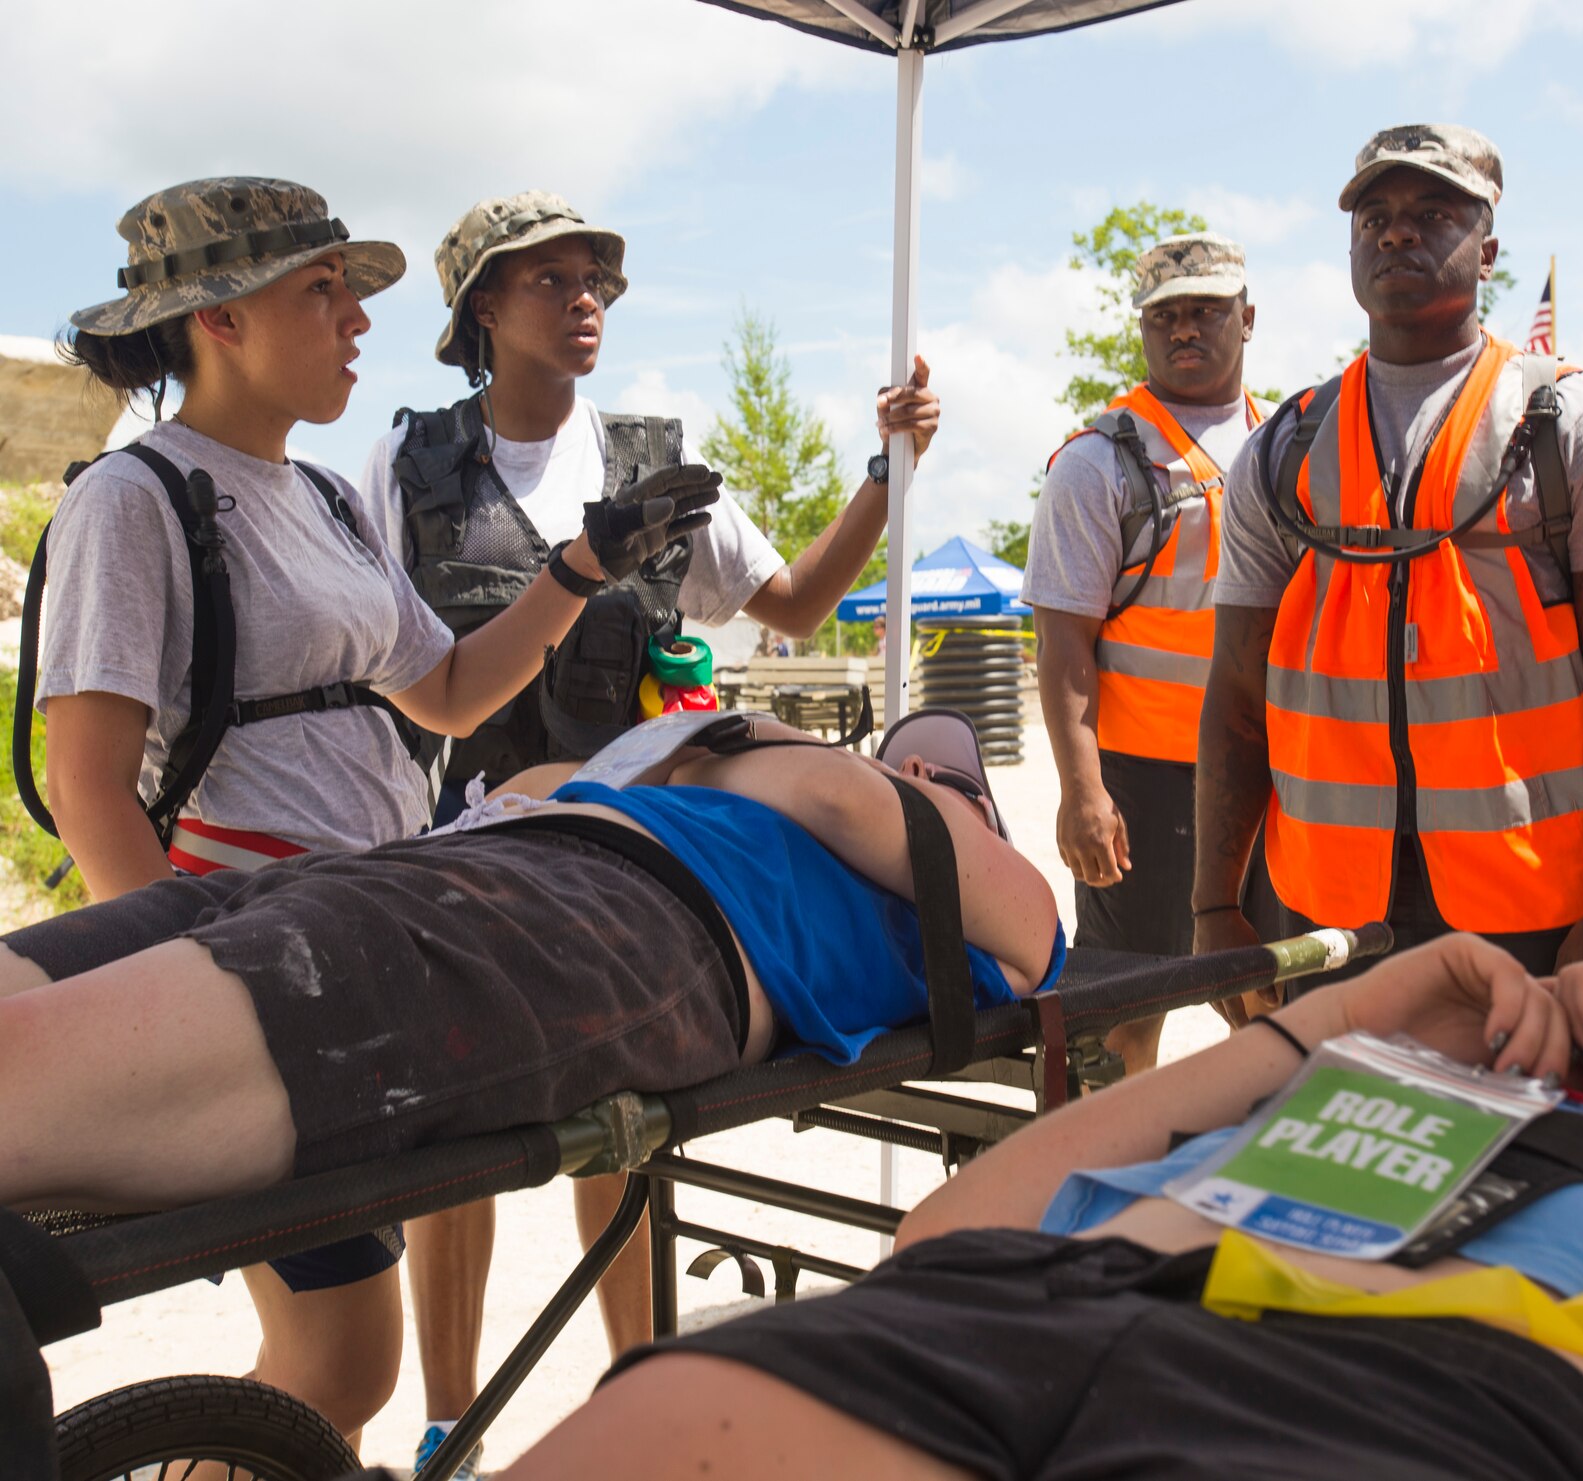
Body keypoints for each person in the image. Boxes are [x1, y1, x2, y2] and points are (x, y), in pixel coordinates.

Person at [39, 177, 692, 1451]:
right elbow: (86, 785)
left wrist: (580, 567)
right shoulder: (139, 497)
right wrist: (176, 985)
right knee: (342, 1359)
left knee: (339, 1360)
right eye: (322, 291)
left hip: (361, 958)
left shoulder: (329, 500)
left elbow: (445, 695)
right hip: (254, 967)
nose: (358, 321)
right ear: (217, 320)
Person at [494, 935, 1583, 1481]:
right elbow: (949, 1242)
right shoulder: (1422, 1088)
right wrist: (1332, 1025)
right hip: (1011, 1317)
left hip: (1420, 1405)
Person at [352, 190, 943, 1473]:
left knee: (621, 1117)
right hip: (453, 848)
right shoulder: (400, 470)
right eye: (550, 278)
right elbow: (381, 663)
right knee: (456, 1139)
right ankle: (452, 1429)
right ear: (480, 310)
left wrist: (881, 477)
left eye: (596, 282)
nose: (583, 300)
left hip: (625, 860)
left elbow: (792, 606)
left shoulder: (652, 467)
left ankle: (633, 1396)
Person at [0, 711, 1061, 1212]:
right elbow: (547, 778)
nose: (918, 764)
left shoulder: (934, 860)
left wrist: (758, 748)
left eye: (948, 774)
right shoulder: (770, 784)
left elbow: (1021, 918)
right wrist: (727, 754)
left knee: (26, 1068)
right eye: (913, 759)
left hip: (603, 913)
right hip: (490, 876)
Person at [1196, 126, 1583, 1017]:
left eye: (1432, 212)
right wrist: (1214, 904)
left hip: (1534, 915)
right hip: (1323, 916)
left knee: (1523, 1152)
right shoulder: (1281, 451)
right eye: (1374, 216)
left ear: (1488, 248)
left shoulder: (1580, 429)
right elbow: (1236, 690)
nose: (1396, 232)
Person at [1023, 232, 1269, 1075]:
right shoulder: (1100, 464)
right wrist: (1081, 790)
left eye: (1205, 310)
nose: (1185, 329)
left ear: (1248, 316)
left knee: (1268, 1002)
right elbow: (1062, 647)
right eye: (1165, 315)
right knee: (1125, 1020)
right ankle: (1107, 1192)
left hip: (1268, 774)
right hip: (1141, 784)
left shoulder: (1290, 448)